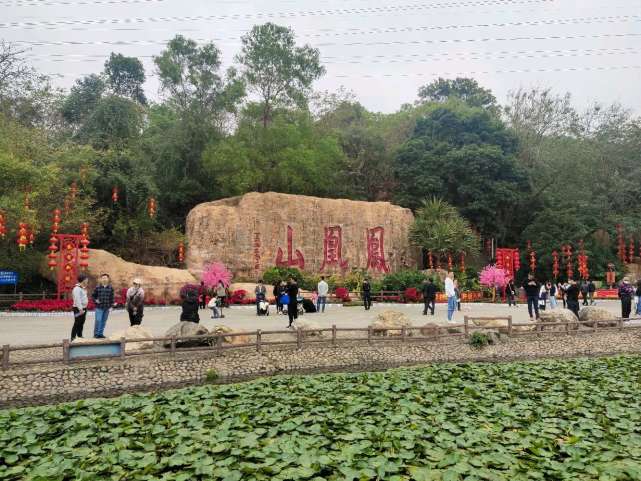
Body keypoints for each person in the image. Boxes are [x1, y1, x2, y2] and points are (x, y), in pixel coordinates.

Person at [92, 273, 114, 339]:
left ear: (108, 279)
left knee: (104, 321)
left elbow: (112, 298)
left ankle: (100, 334)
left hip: (107, 308)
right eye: (103, 278)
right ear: (101, 279)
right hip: (99, 307)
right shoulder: (97, 287)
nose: (104, 279)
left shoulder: (110, 288)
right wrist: (96, 300)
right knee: (98, 320)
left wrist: (111, 306)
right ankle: (96, 334)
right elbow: (93, 296)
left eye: (106, 278)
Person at [70, 274, 89, 341]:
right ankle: (73, 337)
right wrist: (80, 309)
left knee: (82, 322)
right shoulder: (77, 289)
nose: (87, 281)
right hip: (78, 309)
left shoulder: (83, 288)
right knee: (77, 322)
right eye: (86, 279)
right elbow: (77, 299)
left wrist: (84, 308)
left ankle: (79, 335)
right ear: (83, 280)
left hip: (84, 308)